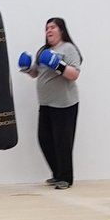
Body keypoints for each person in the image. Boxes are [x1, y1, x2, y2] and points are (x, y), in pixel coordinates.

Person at [17, 18, 82, 188]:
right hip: (46, 104)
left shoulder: (68, 48)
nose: (49, 30)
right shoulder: (43, 51)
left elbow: (74, 74)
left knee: (63, 141)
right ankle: (57, 173)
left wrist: (57, 65)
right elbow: (36, 73)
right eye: (46, 28)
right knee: (44, 139)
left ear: (61, 30)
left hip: (65, 104)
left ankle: (66, 178)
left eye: (52, 27)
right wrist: (26, 68)